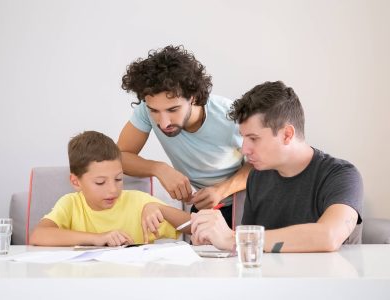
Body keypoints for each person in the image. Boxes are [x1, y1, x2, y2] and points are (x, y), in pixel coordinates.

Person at [190, 81, 363, 253]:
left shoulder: (341, 175)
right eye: (243, 138)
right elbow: (250, 250)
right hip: (270, 279)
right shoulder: (256, 177)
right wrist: (212, 243)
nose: (244, 149)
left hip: (327, 279)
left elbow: (329, 236)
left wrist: (233, 239)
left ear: (287, 134)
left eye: (254, 138)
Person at [118, 45, 252, 229]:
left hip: (247, 204)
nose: (163, 123)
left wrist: (222, 190)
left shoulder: (231, 116)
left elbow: (262, 164)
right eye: (154, 111)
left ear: (193, 98)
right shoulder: (145, 110)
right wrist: (159, 169)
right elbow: (121, 156)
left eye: (173, 110)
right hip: (202, 208)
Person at [29, 130, 190, 246]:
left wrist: (160, 208)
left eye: (118, 179)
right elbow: (38, 235)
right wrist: (98, 238)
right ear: (76, 182)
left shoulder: (139, 202)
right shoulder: (70, 204)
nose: (113, 190)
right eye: (100, 182)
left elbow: (195, 226)